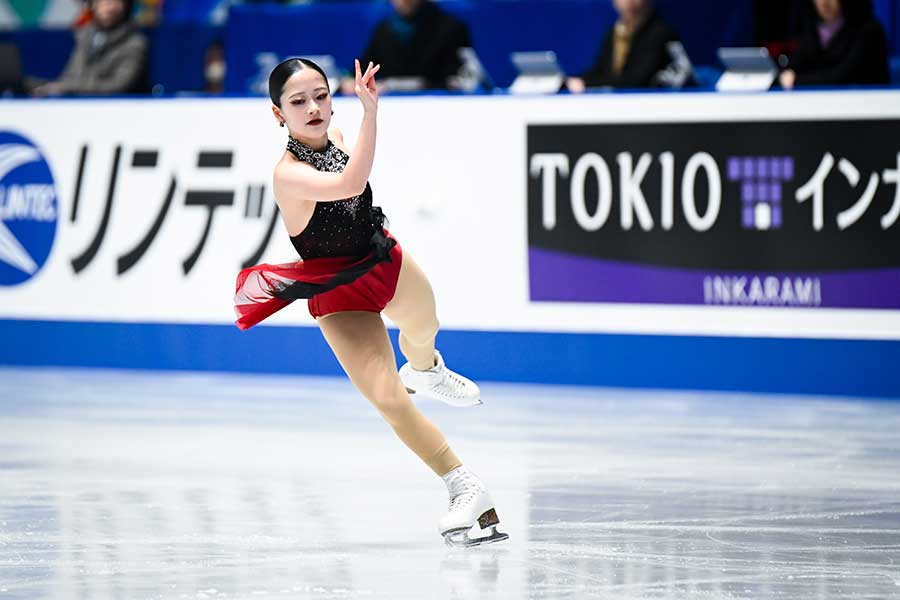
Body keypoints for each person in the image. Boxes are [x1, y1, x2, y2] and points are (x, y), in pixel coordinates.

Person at [233, 57, 509, 547]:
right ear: (278, 114)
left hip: (383, 259)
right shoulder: (288, 174)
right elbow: (350, 185)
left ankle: (425, 368)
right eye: (299, 102)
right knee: (389, 399)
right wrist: (372, 114)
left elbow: (353, 182)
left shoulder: (337, 141)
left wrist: (361, 121)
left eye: (321, 95)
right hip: (340, 294)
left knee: (426, 322)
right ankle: (462, 484)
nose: (314, 107)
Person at [340, 0, 472, 94]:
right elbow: (365, 66)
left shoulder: (451, 28)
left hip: (437, 105)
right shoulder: (384, 30)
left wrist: (393, 86)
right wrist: (352, 81)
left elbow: (458, 79)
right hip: (391, 107)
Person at [565, 0, 691, 92]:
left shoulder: (660, 33)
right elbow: (601, 71)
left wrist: (586, 83)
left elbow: (635, 81)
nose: (629, 2)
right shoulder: (615, 32)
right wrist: (571, 81)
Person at [30, 0, 147, 97]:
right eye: (103, 1)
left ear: (126, 7)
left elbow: (118, 85)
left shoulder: (135, 42)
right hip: (75, 107)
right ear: (93, 5)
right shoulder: (84, 36)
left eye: (115, 2)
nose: (109, 7)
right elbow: (69, 77)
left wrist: (68, 87)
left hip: (111, 110)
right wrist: (42, 86)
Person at [779, 0, 889, 89]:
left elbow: (843, 76)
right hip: (822, 104)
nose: (823, 2)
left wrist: (797, 80)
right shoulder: (811, 29)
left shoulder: (868, 29)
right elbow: (794, 67)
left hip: (869, 105)